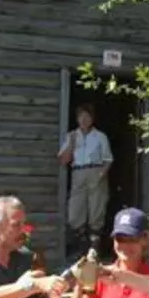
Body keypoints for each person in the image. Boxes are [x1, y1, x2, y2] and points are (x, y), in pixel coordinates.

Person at [69, 207, 149, 298]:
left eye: (132, 239)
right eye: (120, 239)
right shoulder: (102, 277)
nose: (125, 245)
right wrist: (80, 282)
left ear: (144, 240)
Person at [58, 103, 113, 248]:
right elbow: (63, 160)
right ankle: (80, 248)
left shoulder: (100, 136)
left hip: (96, 170)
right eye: (81, 116)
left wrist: (101, 175)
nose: (84, 120)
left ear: (92, 119)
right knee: (75, 212)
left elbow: (108, 159)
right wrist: (71, 143)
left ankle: (94, 249)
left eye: (87, 116)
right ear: (77, 119)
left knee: (96, 210)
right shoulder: (71, 136)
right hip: (78, 172)